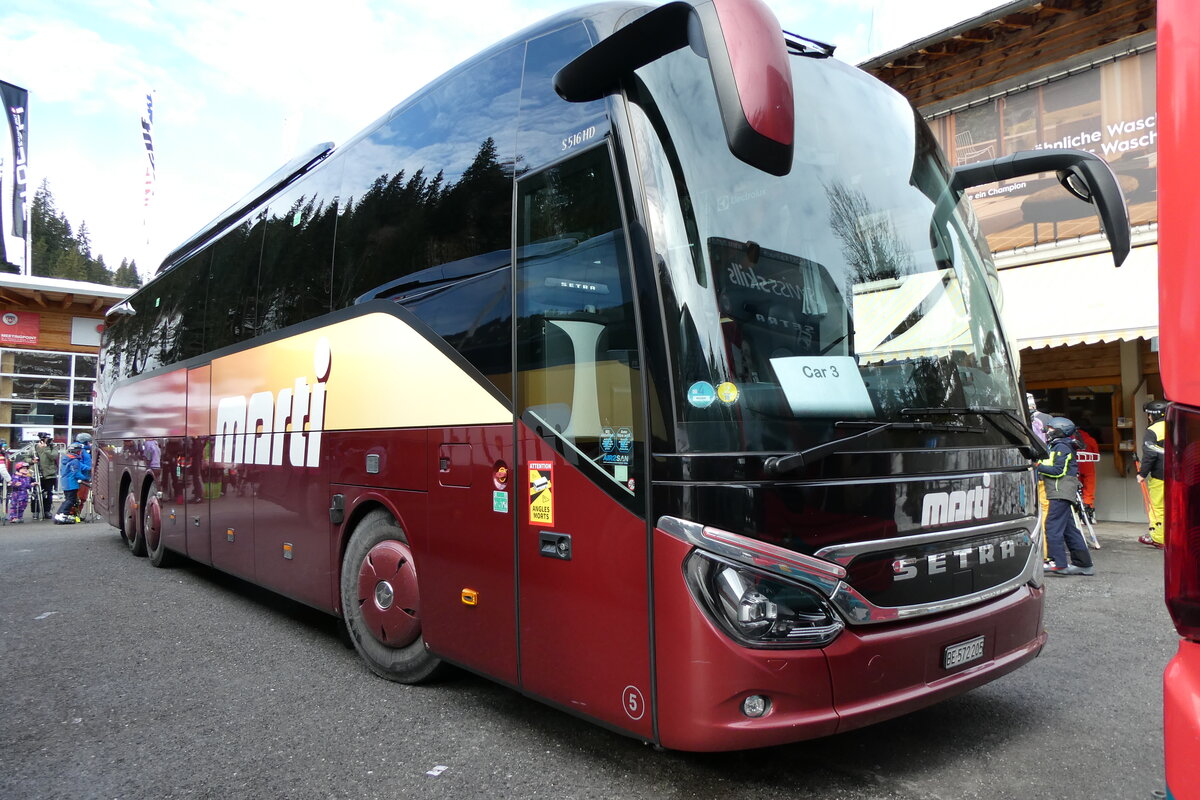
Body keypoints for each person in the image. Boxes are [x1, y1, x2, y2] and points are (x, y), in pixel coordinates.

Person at [1038, 416, 1094, 576]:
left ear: (1059, 431)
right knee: (1070, 529)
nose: (1047, 432)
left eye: (1050, 429)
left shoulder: (1062, 447)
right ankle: (1084, 564)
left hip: (1060, 491)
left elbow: (1058, 470)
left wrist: (1036, 466)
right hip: (1060, 491)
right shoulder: (1058, 446)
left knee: (1052, 526)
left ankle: (1057, 562)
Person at [1137, 400, 1169, 548]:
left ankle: (1158, 538)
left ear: (1153, 415)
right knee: (1176, 507)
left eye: (1149, 415)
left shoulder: (1154, 430)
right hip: (1180, 475)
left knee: (1158, 507)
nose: (1148, 417)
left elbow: (1150, 455)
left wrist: (1142, 473)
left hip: (1160, 476)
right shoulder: (1178, 426)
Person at [54, 442, 85, 524]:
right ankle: (63, 514)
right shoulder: (74, 460)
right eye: (80, 451)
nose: (81, 452)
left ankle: (59, 515)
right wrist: (86, 478)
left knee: (68, 499)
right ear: (77, 451)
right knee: (71, 500)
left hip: (65, 482)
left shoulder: (67, 459)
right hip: (71, 483)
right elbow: (76, 473)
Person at [1075, 425, 1100, 523]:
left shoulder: (1071, 440)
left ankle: (1079, 515)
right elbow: (1096, 453)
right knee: (1089, 491)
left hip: (1076, 468)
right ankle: (1089, 515)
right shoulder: (1090, 440)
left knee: (1077, 491)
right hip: (1089, 468)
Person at [35, 433, 60, 520]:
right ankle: (36, 511)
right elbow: (27, 457)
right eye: (45, 438)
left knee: (48, 493)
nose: (47, 440)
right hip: (38, 473)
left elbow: (53, 456)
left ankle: (47, 511)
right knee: (36, 494)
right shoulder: (35, 446)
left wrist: (46, 448)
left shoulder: (53, 446)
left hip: (50, 474)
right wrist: (32, 460)